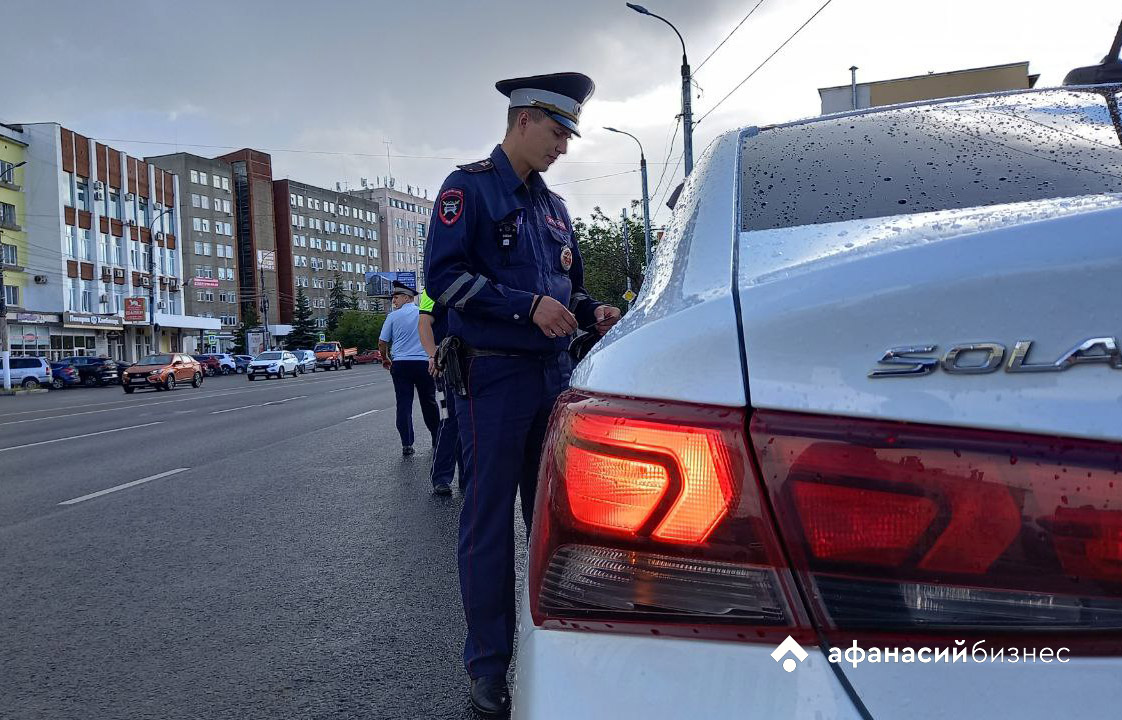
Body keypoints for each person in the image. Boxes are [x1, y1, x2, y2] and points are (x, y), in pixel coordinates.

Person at [423, 72, 621, 716]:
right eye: (558, 131)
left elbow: (570, 291)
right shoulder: (468, 189)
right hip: (493, 380)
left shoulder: (555, 208)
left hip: (552, 382)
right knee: (487, 530)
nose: (564, 146)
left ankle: (558, 656)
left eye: (569, 135)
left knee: (557, 527)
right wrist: (524, 307)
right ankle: (487, 668)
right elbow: (444, 281)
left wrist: (592, 312)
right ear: (523, 120)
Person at [378, 281, 440, 457]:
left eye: (396, 297)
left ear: (407, 297)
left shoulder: (393, 317)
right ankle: (436, 438)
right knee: (429, 402)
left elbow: (382, 342)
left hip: (402, 365)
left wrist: (385, 358)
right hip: (423, 364)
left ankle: (407, 443)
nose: (393, 301)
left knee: (403, 404)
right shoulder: (423, 314)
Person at [417, 289, 463, 496]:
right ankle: (441, 477)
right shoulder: (433, 288)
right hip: (447, 364)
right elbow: (424, 323)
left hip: (475, 361)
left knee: (471, 422)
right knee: (449, 419)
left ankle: (467, 476)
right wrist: (433, 355)